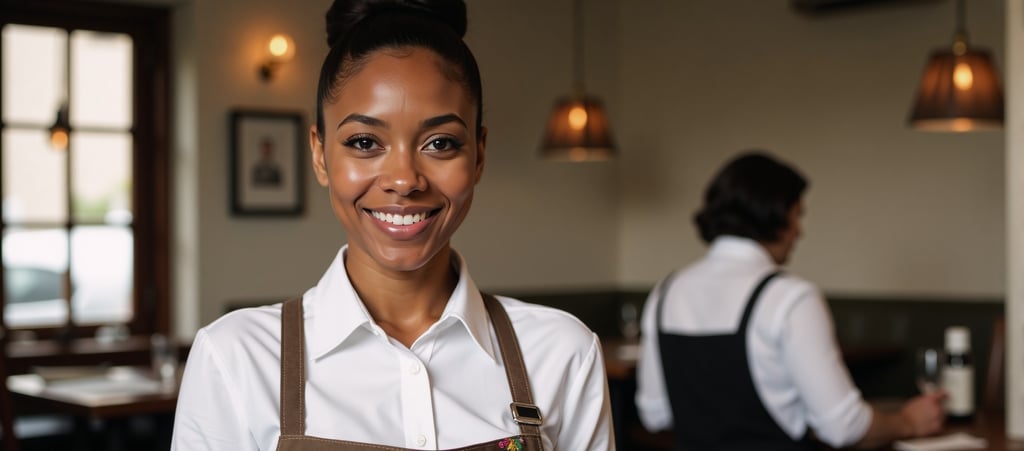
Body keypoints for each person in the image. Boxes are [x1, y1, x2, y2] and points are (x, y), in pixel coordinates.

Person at [171, 1, 614, 449]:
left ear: (478, 154)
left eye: (440, 143)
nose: (404, 180)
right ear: (320, 155)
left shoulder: (563, 355)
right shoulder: (235, 360)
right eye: (364, 142)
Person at [634, 151, 945, 450]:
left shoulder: (665, 292)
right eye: (797, 216)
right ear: (774, 215)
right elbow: (843, 427)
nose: (800, 232)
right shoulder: (790, 297)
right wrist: (908, 421)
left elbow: (655, 414)